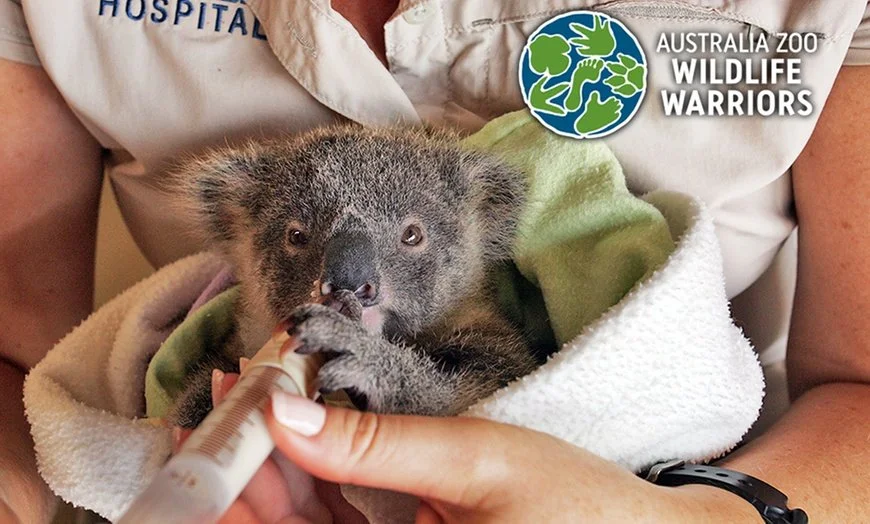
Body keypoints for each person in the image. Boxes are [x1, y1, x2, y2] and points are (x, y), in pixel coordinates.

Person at [1, 0, 867, 522]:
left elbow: (859, 385)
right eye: (300, 237)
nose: (350, 272)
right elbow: (19, 359)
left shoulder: (480, 320)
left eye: (409, 238)